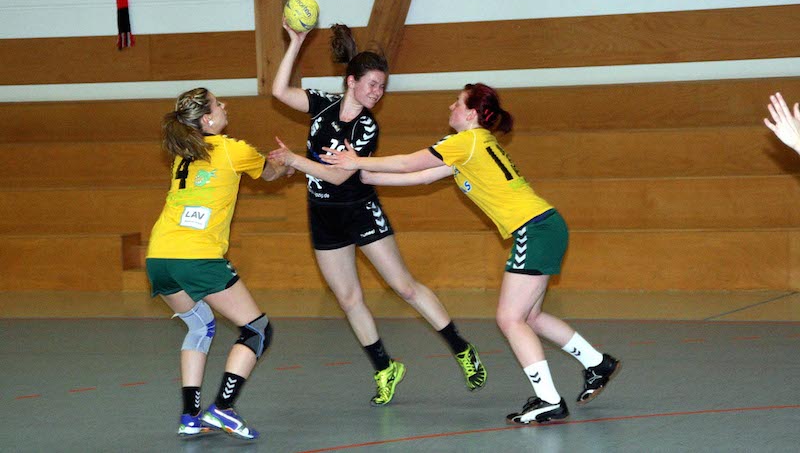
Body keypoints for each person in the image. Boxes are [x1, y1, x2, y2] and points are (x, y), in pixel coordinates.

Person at [320, 82, 621, 424]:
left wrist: (357, 159)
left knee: (510, 319)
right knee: (531, 317)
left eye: (457, 102)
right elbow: (421, 177)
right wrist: (361, 174)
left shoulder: (465, 142)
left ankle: (549, 400)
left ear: (471, 113)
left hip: (534, 229)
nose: (451, 107)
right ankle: (597, 364)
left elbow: (407, 163)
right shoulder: (475, 145)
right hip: (546, 226)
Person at [268, 22, 487, 406]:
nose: (377, 92)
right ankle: (385, 367)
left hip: (360, 211)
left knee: (404, 287)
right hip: (322, 213)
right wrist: (296, 42)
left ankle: (461, 348)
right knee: (348, 298)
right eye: (372, 84)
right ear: (350, 81)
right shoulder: (323, 104)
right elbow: (279, 91)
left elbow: (338, 176)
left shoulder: (366, 126)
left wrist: (294, 160)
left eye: (382, 86)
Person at [146, 87, 290, 440]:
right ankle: (223, 408)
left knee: (200, 327)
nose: (225, 105)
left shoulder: (183, 155)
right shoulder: (232, 149)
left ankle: (190, 416)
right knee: (257, 330)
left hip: (159, 255)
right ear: (208, 119)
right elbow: (270, 174)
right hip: (197, 257)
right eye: (217, 103)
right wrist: (287, 162)